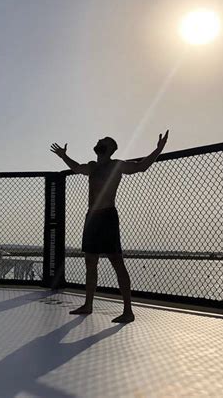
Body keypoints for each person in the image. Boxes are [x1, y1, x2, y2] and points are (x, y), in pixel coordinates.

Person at [50, 131, 169, 323]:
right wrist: (64, 156)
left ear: (110, 148)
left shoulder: (116, 165)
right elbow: (76, 168)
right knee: (90, 263)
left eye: (102, 141)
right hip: (91, 218)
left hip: (107, 217)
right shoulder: (92, 166)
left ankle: (128, 311)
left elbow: (141, 167)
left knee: (117, 262)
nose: (98, 141)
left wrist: (159, 148)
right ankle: (88, 305)